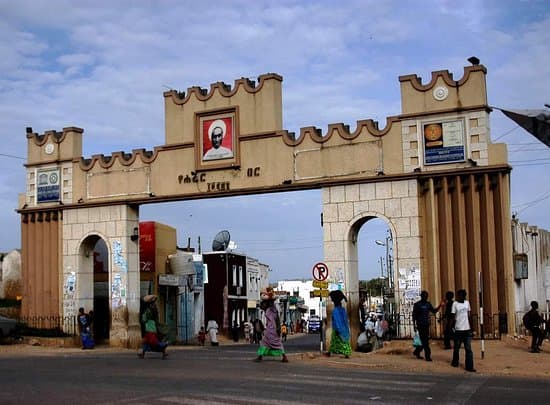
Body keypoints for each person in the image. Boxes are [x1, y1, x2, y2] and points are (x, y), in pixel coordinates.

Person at [254, 287, 289, 363]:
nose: (262, 307)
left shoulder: (271, 309)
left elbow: (276, 319)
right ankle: (283, 356)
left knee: (267, 342)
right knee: (271, 342)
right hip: (271, 329)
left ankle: (284, 356)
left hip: (272, 329)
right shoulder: (271, 309)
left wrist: (278, 328)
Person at [412, 290, 443, 362]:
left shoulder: (428, 304)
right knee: (425, 341)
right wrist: (414, 325)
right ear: (421, 296)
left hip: (426, 325)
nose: (425, 297)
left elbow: (434, 311)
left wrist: (440, 305)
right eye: (424, 296)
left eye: (426, 296)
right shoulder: (417, 305)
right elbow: (414, 316)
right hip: (420, 325)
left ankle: (417, 351)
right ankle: (427, 356)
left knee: (424, 341)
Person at [450, 289, 475, 372]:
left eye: (461, 295)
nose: (459, 297)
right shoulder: (455, 304)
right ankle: (455, 362)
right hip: (458, 329)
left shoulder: (467, 303)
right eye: (458, 295)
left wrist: (472, 328)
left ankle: (469, 366)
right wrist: (451, 327)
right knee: (456, 347)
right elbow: (453, 316)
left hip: (466, 329)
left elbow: (469, 315)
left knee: (468, 349)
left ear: (464, 296)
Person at [139, 294, 167, 359]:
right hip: (152, 327)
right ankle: (142, 353)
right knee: (146, 341)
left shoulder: (148, 310)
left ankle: (163, 346)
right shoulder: (154, 308)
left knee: (152, 341)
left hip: (149, 328)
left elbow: (144, 319)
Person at [325, 290, 352, 358]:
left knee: (339, 342)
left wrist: (338, 329)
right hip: (344, 328)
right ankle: (332, 352)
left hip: (338, 329)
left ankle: (346, 353)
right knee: (337, 341)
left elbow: (337, 321)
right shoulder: (342, 309)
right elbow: (345, 319)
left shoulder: (335, 311)